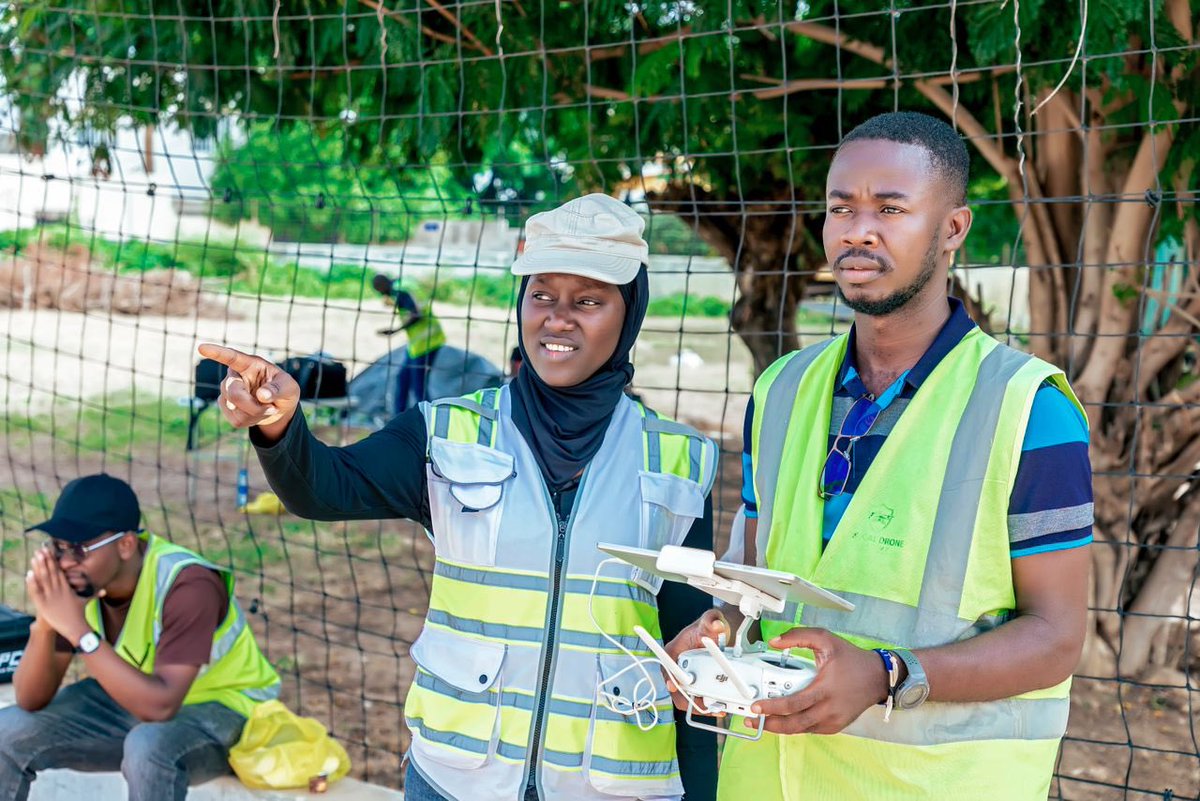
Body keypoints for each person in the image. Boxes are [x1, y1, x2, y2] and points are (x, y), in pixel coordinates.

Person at [200, 192, 720, 801]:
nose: (557, 318)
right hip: (458, 779)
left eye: (588, 301)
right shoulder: (444, 434)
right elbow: (324, 488)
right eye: (541, 294)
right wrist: (280, 425)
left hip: (614, 787)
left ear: (628, 314)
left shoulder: (681, 462)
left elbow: (688, 648)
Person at [668, 112, 1093, 801]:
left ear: (953, 228)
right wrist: (720, 635)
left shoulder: (1028, 409)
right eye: (842, 207)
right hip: (764, 782)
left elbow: (1055, 637)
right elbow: (755, 586)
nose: (858, 230)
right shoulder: (779, 390)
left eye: (890, 208)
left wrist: (888, 671)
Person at [0, 474, 281, 801]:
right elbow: (31, 699)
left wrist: (79, 630)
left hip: (228, 714)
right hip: (138, 700)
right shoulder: (82, 582)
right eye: (58, 547)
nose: (64, 563)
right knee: (8, 730)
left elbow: (160, 707)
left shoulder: (189, 585)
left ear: (125, 545)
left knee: (148, 747)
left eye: (78, 548)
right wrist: (47, 622)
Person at [372, 274, 447, 412]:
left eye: (380, 291)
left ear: (382, 286)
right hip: (418, 345)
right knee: (403, 379)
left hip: (426, 343)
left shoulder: (400, 290)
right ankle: (398, 419)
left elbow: (416, 314)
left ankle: (427, 421)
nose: (382, 294)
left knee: (418, 387)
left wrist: (395, 330)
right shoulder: (403, 284)